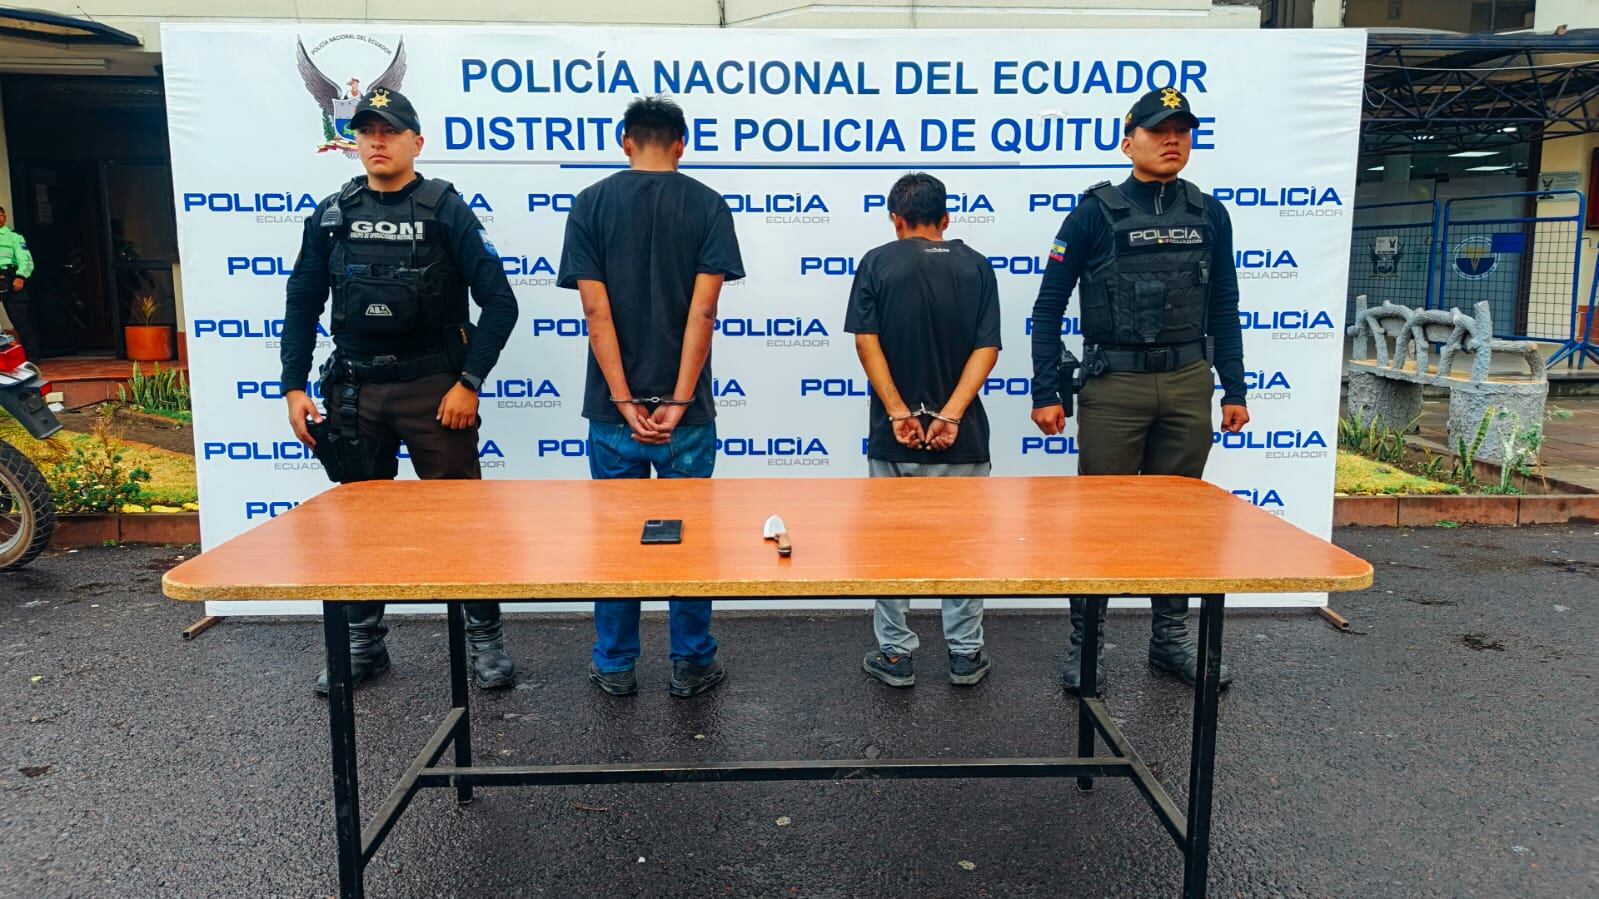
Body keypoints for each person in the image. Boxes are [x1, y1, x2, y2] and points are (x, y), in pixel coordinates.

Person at [280, 88, 520, 695]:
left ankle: (485, 640)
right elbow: (302, 301)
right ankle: (363, 644)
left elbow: (500, 302)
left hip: (435, 391)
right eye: (366, 132)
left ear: (417, 141)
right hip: (356, 391)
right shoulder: (333, 214)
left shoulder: (445, 210)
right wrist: (292, 387)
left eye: (389, 131)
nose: (377, 142)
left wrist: (469, 383)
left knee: (460, 522)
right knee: (361, 526)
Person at [1029, 87, 1250, 694]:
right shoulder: (1093, 214)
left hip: (1186, 383)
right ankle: (1087, 647)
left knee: (1178, 522)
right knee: (1099, 523)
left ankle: (1169, 641)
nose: (1172, 139)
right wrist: (1045, 390)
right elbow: (1048, 308)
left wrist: (1234, 387)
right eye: (1158, 130)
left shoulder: (1210, 214)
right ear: (1129, 143)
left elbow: (1224, 306)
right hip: (1114, 385)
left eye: (1182, 130)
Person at [557, 96, 744, 699]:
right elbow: (704, 311)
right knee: (689, 539)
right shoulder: (708, 204)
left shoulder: (590, 203)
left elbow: (595, 311)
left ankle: (615, 664)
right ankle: (692, 662)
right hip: (687, 416)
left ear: (626, 141)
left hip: (614, 414)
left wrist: (623, 399)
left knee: (617, 541)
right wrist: (680, 401)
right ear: (682, 145)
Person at [846, 173, 1002, 688]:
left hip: (896, 437)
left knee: (892, 547)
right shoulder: (977, 265)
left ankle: (895, 655)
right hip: (964, 437)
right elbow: (987, 349)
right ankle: (965, 654)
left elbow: (866, 342)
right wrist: (951, 416)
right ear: (946, 218)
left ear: (897, 220)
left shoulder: (876, 262)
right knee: (964, 547)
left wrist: (898, 413)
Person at [0, 204, 37, 350]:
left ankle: (32, 356)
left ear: (5, 217)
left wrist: (21, 276)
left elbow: (25, 259)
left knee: (20, 320)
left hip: (9, 278)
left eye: (1, 214)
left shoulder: (14, 237)